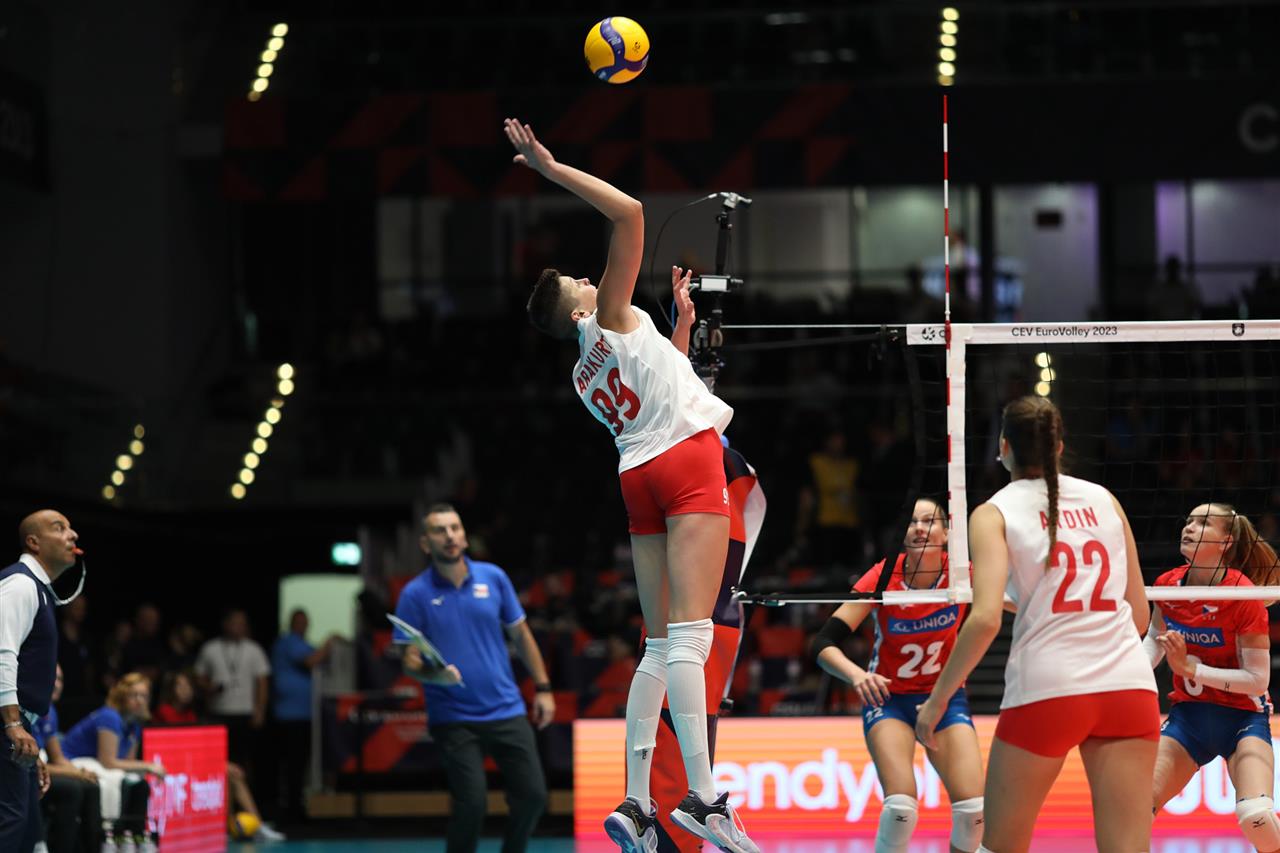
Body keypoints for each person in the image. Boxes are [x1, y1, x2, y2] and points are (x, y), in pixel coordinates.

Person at [504, 117, 758, 853]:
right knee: (693, 637)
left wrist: (679, 329)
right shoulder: (609, 313)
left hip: (638, 477)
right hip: (686, 463)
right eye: (579, 284)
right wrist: (550, 167)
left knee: (658, 643)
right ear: (581, 309)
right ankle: (703, 798)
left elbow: (659, 383)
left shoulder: (582, 370)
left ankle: (639, 802)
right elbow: (631, 213)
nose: (590, 278)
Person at [914, 396, 1158, 853]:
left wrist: (936, 700)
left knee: (999, 846)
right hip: (1128, 687)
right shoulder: (1106, 500)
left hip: (1049, 687)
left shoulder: (993, 511)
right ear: (1059, 446)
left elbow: (985, 618)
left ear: (1003, 447)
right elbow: (1139, 614)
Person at [814, 498, 984, 853]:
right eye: (912, 522)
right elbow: (823, 643)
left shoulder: (963, 574)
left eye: (929, 521)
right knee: (901, 810)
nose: (919, 528)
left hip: (944, 699)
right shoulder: (883, 575)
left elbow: (1011, 604)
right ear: (903, 535)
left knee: (973, 812)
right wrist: (857, 675)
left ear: (946, 533)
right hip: (889, 700)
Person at [394, 503, 554, 853]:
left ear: (465, 537)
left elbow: (521, 635)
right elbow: (409, 661)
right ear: (426, 543)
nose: (450, 536)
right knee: (472, 804)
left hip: (506, 709)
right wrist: (434, 675)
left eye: (455, 528)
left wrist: (543, 688)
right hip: (453, 717)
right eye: (440, 530)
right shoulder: (414, 594)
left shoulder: (493, 578)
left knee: (533, 796)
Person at [1148, 504, 1280, 850]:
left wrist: (1192, 670)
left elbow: (1258, 680)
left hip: (1243, 720)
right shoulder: (1167, 586)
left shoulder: (1243, 595)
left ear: (1225, 542)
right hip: (1187, 721)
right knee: (1134, 806)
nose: (1189, 527)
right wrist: (1126, 676)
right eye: (1189, 520)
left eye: (1203, 522)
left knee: (1256, 816)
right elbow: (1153, 641)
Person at [3, 510, 78, 852]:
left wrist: (30, 741)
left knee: (29, 830)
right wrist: (13, 724)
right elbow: (2, 653)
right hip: (7, 724)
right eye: (59, 528)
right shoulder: (20, 584)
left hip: (20, 728)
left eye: (71, 529)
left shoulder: (39, 589)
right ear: (33, 542)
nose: (72, 535)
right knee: (11, 822)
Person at [153, 670, 284, 843]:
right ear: (171, 689)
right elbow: (179, 748)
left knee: (231, 775)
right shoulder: (164, 712)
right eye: (180, 686)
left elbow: (197, 746)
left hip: (191, 763)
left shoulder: (190, 714)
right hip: (172, 766)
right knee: (228, 773)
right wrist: (220, 764)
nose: (186, 690)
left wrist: (222, 762)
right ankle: (254, 825)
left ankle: (237, 826)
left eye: (188, 686)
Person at [59, 673, 163, 848]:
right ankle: (109, 837)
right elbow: (108, 761)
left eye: (144, 696)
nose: (139, 700)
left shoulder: (135, 724)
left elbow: (128, 762)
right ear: (122, 696)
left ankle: (135, 840)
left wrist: (142, 769)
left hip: (97, 763)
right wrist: (149, 766)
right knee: (116, 780)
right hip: (72, 762)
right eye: (133, 695)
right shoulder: (110, 716)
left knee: (140, 785)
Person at [194, 609, 270, 785]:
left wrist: (260, 710)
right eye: (235, 623)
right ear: (225, 624)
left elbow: (262, 682)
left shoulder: (254, 649)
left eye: (242, 624)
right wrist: (209, 687)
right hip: (218, 711)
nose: (239, 627)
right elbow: (198, 677)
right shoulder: (210, 648)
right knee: (218, 758)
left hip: (245, 712)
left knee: (244, 759)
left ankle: (244, 796)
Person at [271, 609, 333, 822]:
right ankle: (290, 809)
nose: (303, 626)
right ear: (291, 623)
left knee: (301, 763)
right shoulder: (289, 642)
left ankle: (298, 805)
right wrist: (330, 641)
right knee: (293, 763)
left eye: (306, 622)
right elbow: (312, 661)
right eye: (299, 622)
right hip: (290, 715)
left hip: (305, 714)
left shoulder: (304, 643)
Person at [35, 665, 104, 853]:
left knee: (91, 785)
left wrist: (79, 772)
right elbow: (35, 763)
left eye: (60, 680)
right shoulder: (31, 707)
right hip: (29, 770)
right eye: (53, 678)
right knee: (72, 788)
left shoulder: (51, 711)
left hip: (42, 769)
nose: (57, 684)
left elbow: (58, 758)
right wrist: (75, 774)